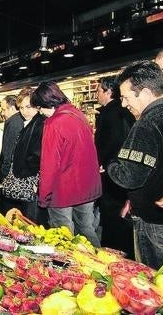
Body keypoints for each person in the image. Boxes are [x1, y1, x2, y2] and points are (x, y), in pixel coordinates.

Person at [107, 61, 163, 271]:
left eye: (126, 97)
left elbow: (129, 176)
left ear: (144, 92)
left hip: (155, 223)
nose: (124, 104)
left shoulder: (148, 123)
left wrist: (111, 165)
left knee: (156, 286)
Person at [31, 81, 101, 247]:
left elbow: (49, 164)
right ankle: (102, 264)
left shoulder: (53, 123)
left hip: (62, 189)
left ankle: (70, 270)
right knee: (86, 229)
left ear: (47, 104)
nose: (40, 113)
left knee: (63, 234)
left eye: (40, 108)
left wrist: (44, 196)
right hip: (87, 185)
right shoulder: (78, 115)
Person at [94, 76, 136, 257]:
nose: (96, 94)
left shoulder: (111, 113)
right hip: (119, 172)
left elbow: (111, 143)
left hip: (113, 174)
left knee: (113, 219)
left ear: (108, 91)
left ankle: (115, 256)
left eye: (98, 90)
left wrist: (105, 163)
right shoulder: (122, 112)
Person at [5, 87, 46, 223]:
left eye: (28, 107)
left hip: (32, 180)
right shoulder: (30, 123)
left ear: (37, 106)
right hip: (29, 179)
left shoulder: (39, 123)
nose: (24, 111)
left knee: (32, 221)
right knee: (27, 219)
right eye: (21, 108)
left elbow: (38, 155)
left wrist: (25, 173)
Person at [0, 95, 24, 185]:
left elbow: (8, 150)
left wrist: (4, 173)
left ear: (12, 108)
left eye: (4, 109)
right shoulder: (20, 120)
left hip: (11, 173)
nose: (2, 113)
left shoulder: (13, 124)